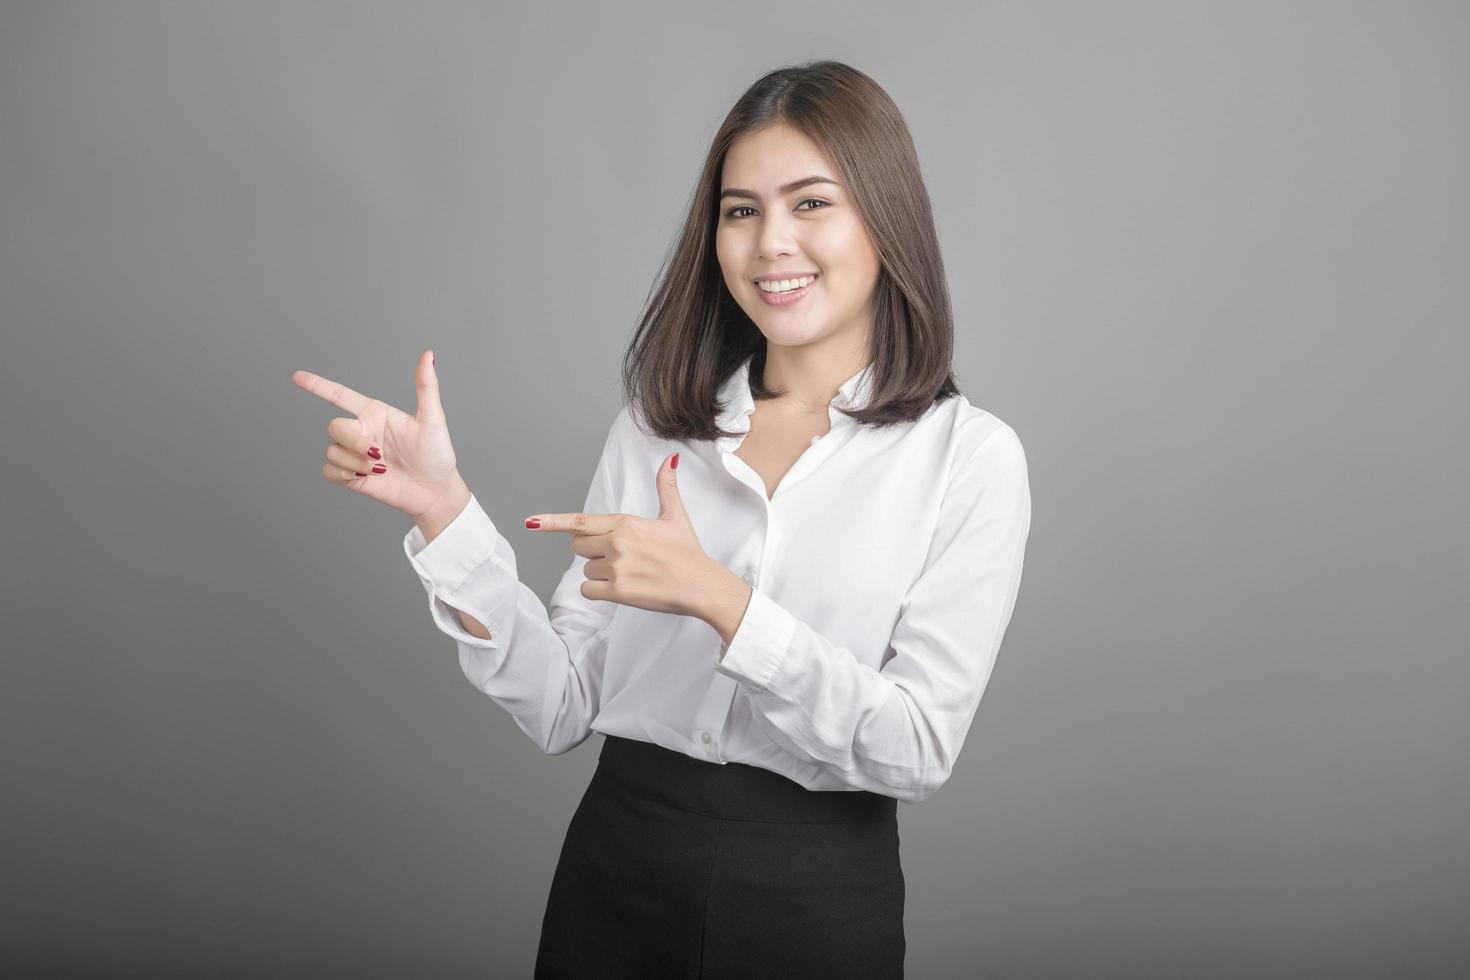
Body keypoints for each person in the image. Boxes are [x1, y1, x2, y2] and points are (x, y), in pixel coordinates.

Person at [292, 59, 1031, 979]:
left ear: (887, 218)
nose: (770, 245)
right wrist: (444, 513)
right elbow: (564, 704)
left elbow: (917, 748)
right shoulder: (655, 429)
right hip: (619, 869)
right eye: (740, 210)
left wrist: (725, 603)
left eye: (810, 204)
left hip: (817, 894)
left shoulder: (968, 458)